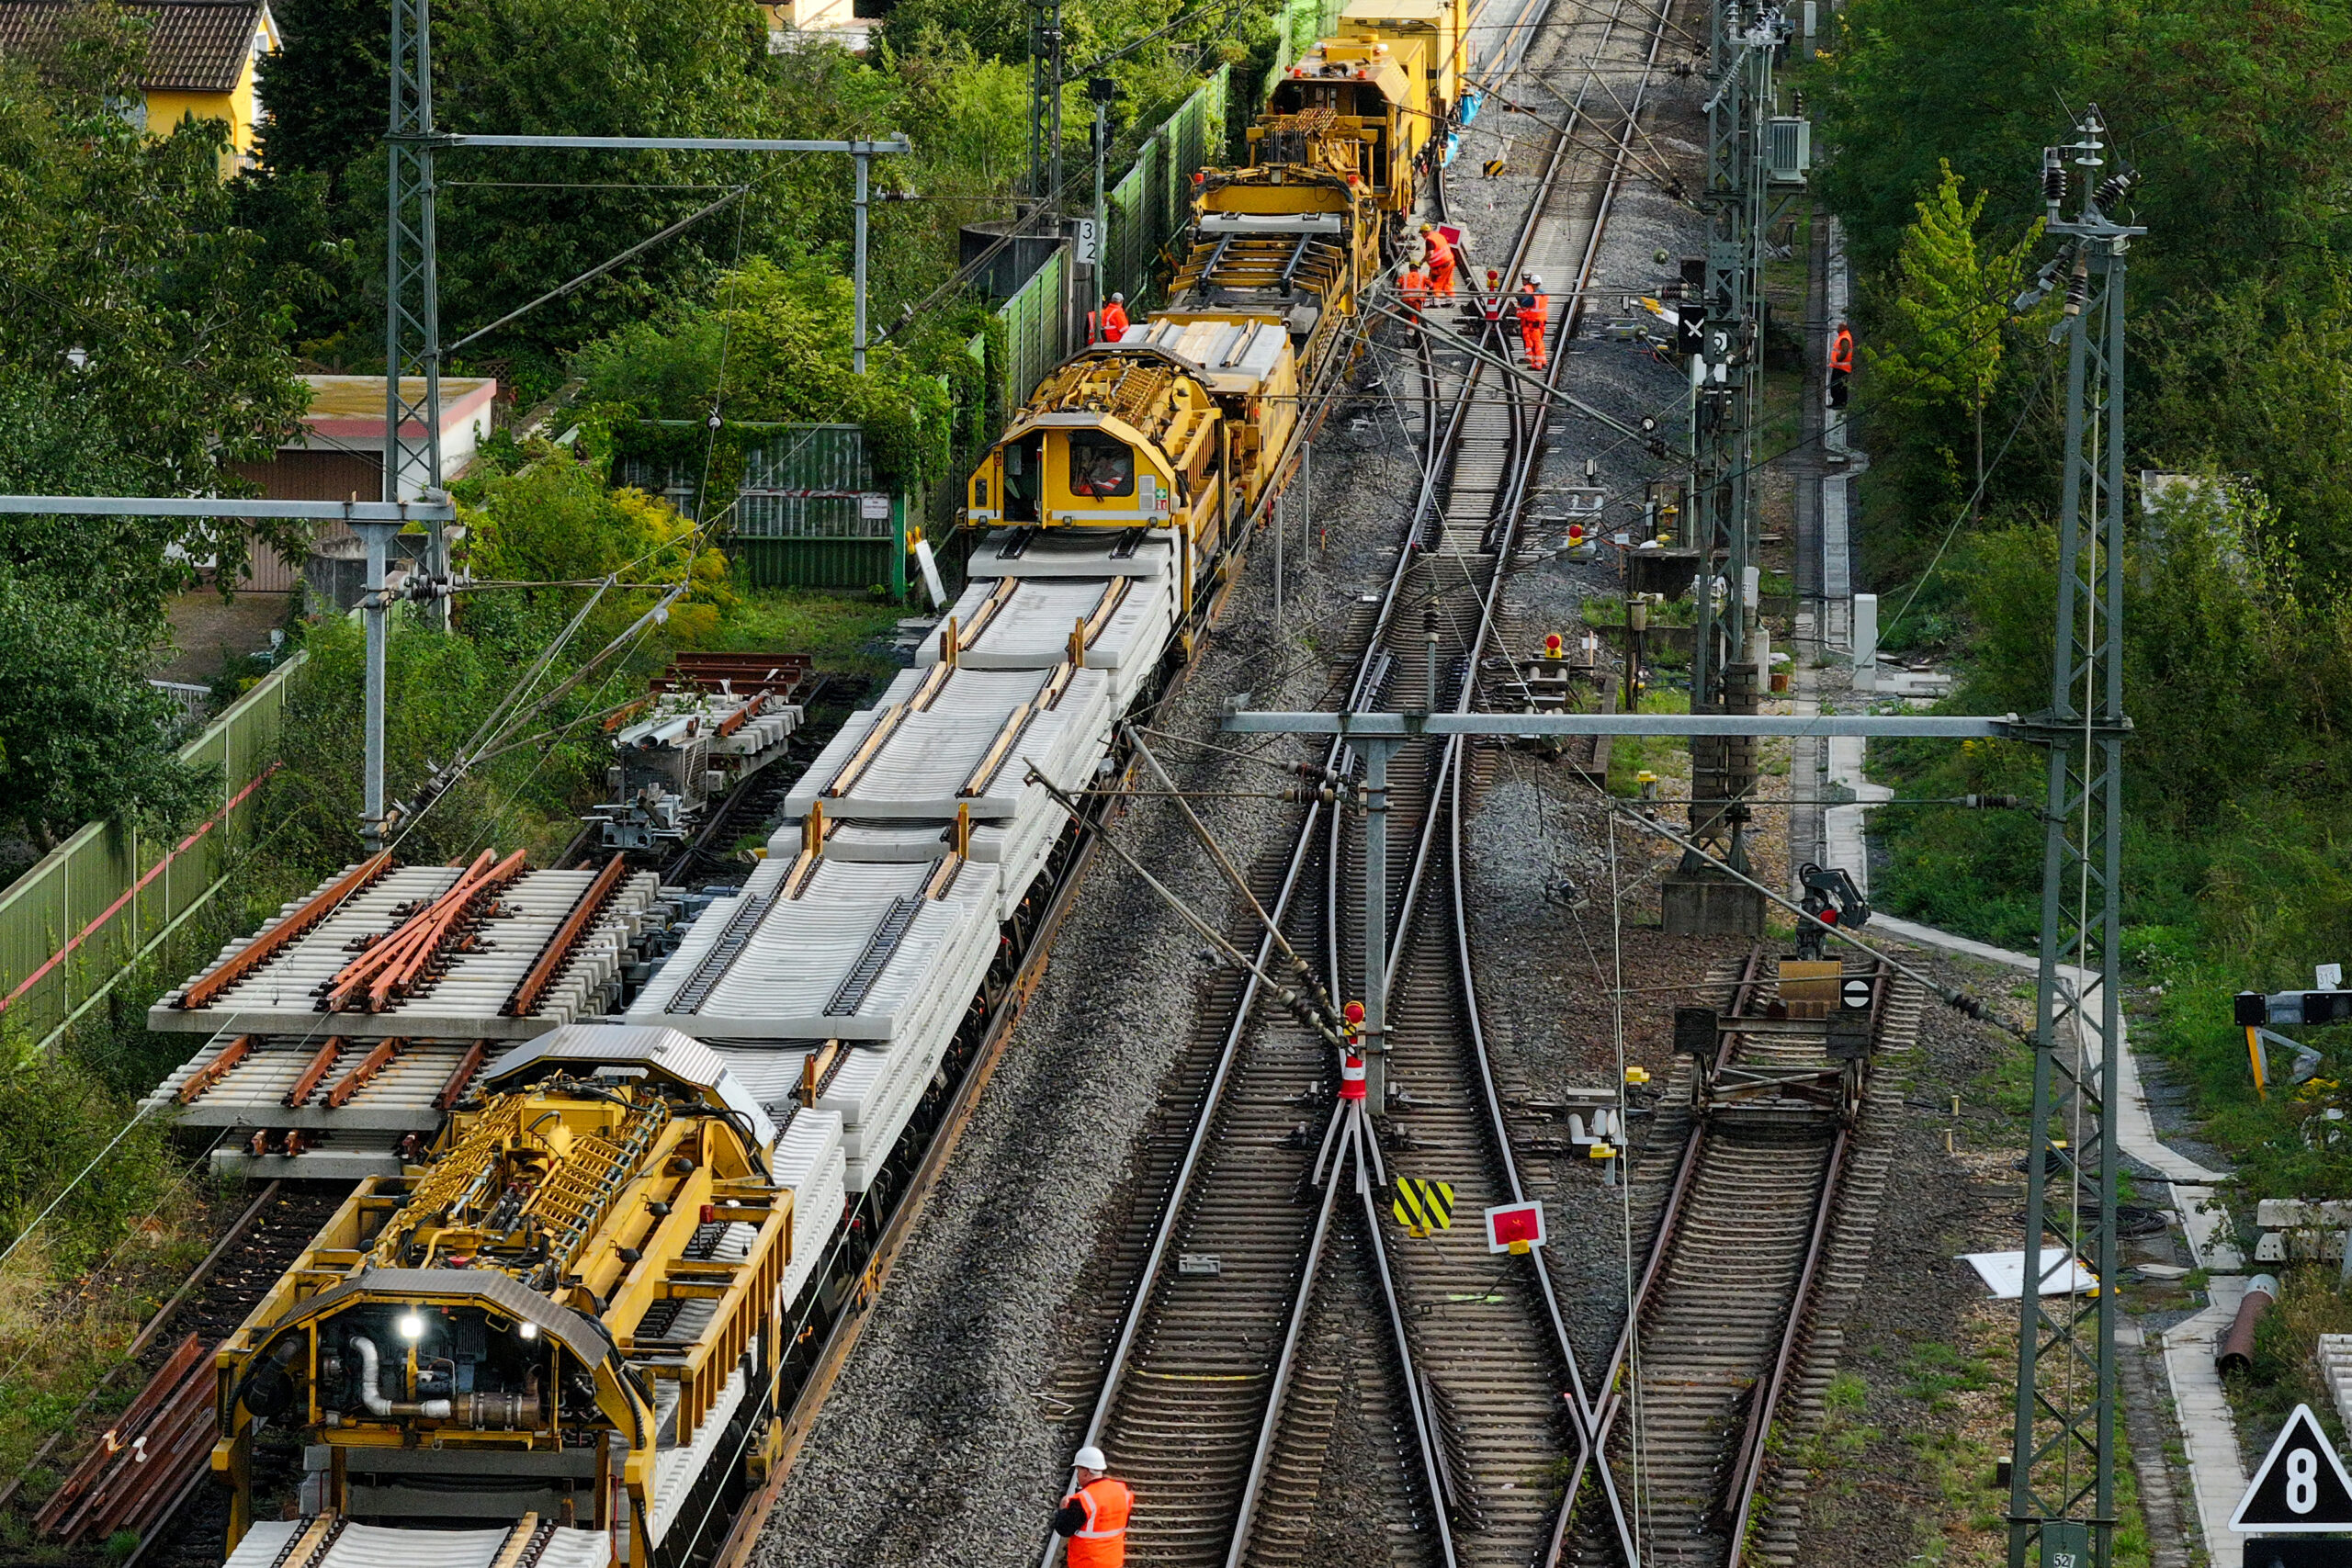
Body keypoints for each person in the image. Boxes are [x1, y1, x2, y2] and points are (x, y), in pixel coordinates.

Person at [1053, 1446, 1132, 1567]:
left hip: (1088, 1563)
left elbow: (1064, 1529)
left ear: (1085, 1472)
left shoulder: (1083, 1499)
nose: (1078, 1475)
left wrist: (1063, 1509)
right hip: (1113, 1562)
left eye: (1078, 1471)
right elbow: (1123, 1523)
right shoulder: (1121, 1492)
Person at [1515, 272, 1549, 369]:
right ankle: (1542, 361)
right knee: (1540, 343)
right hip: (1542, 323)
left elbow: (1525, 303)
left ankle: (1537, 364)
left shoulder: (1534, 296)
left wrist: (1520, 299)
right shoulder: (1544, 295)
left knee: (1535, 344)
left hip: (1533, 323)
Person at [1419, 222, 1456, 298]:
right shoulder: (1438, 235)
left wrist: (1422, 261)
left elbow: (1430, 253)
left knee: (1436, 284)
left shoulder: (1429, 240)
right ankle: (1451, 299)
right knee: (1447, 283)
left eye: (1422, 233)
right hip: (1450, 262)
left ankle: (1436, 301)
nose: (1421, 235)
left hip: (1441, 266)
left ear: (1426, 232)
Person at [1828, 319, 1854, 409]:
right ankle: (1836, 403)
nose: (1837, 329)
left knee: (1839, 386)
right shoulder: (1844, 336)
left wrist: (1838, 359)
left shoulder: (1844, 338)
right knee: (1836, 386)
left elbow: (1844, 351)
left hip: (1842, 367)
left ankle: (1840, 403)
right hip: (1839, 366)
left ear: (1842, 328)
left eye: (1839, 327)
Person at [1398, 259, 1429, 333]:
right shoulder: (1422, 277)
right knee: (1414, 316)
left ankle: (1408, 331)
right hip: (1416, 300)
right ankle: (1410, 333)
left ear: (1410, 268)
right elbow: (1431, 284)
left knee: (1407, 316)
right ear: (1417, 269)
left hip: (1405, 300)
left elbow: (1397, 284)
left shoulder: (1404, 276)